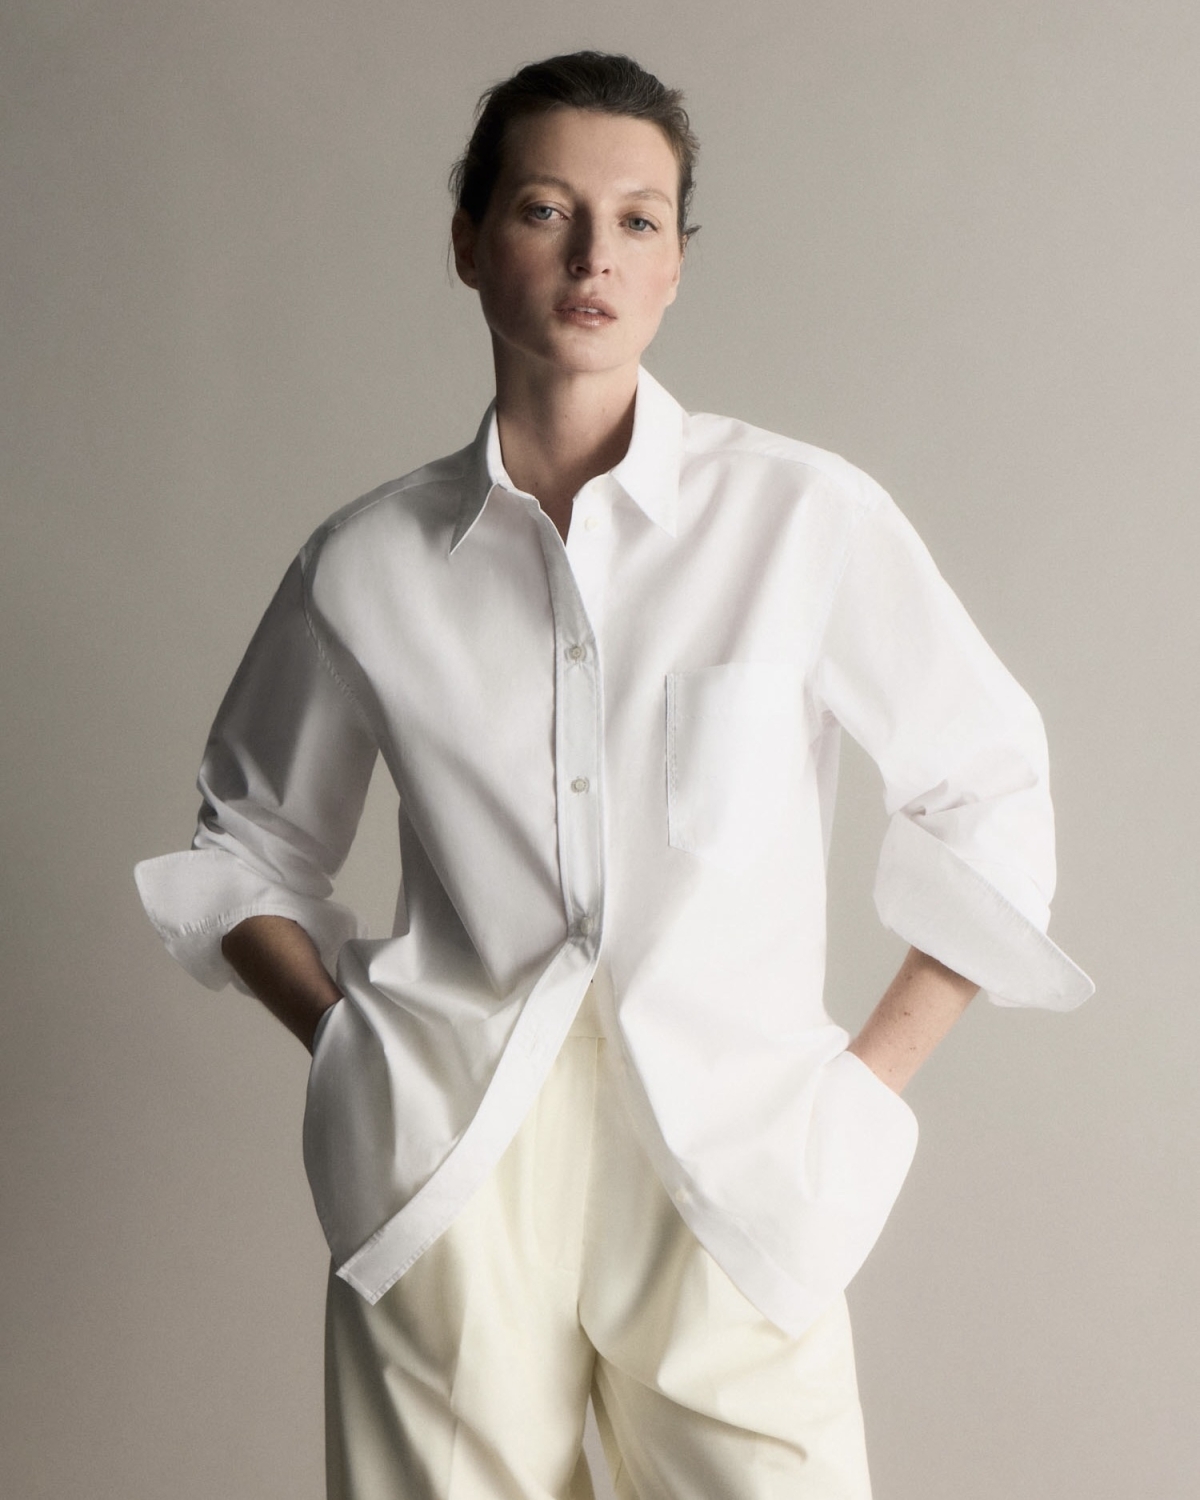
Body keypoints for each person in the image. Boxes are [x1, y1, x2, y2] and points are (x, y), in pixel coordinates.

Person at [136, 50, 1092, 1500]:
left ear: (676, 264)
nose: (595, 256)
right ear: (469, 242)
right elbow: (243, 848)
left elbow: (990, 793)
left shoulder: (800, 520)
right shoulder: (370, 562)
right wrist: (352, 1047)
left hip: (734, 1169)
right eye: (545, 209)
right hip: (452, 1165)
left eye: (639, 220)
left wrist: (855, 1091)